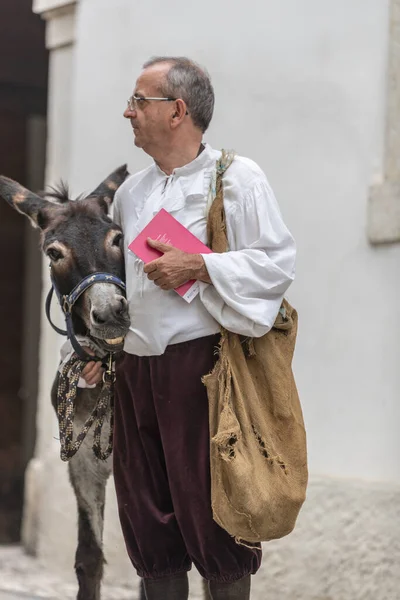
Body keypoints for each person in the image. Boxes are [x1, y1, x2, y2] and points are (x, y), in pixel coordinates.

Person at [82, 56, 296, 600]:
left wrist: (199, 265)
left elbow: (275, 266)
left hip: (205, 372)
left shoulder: (237, 177)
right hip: (137, 373)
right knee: (148, 521)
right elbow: (124, 290)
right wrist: (100, 351)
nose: (127, 112)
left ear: (177, 111)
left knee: (214, 518)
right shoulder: (131, 194)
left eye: (139, 101)